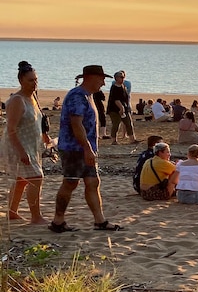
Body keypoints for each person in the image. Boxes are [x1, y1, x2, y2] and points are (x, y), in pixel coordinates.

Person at [50, 65, 123, 232]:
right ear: (90, 77)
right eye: (101, 79)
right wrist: (87, 148)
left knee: (93, 182)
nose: (103, 83)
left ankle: (100, 221)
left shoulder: (88, 96)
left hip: (85, 147)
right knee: (70, 182)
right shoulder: (77, 96)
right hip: (74, 147)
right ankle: (58, 221)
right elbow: (76, 124)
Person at [0, 61, 52, 224]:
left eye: (36, 80)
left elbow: (37, 121)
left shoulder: (33, 98)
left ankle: (12, 212)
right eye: (31, 80)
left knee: (22, 179)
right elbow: (11, 129)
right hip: (18, 146)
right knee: (36, 178)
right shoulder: (17, 100)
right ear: (21, 80)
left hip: (31, 145)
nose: (34, 83)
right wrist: (21, 152)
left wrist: (45, 137)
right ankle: (36, 217)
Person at [107, 71, 139, 145]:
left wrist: (125, 108)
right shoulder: (114, 87)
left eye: (123, 77)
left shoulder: (123, 86)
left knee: (128, 123)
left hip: (124, 108)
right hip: (115, 110)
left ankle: (132, 139)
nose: (123, 79)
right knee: (116, 124)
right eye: (121, 77)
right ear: (116, 78)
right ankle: (114, 140)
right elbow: (116, 99)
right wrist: (121, 108)